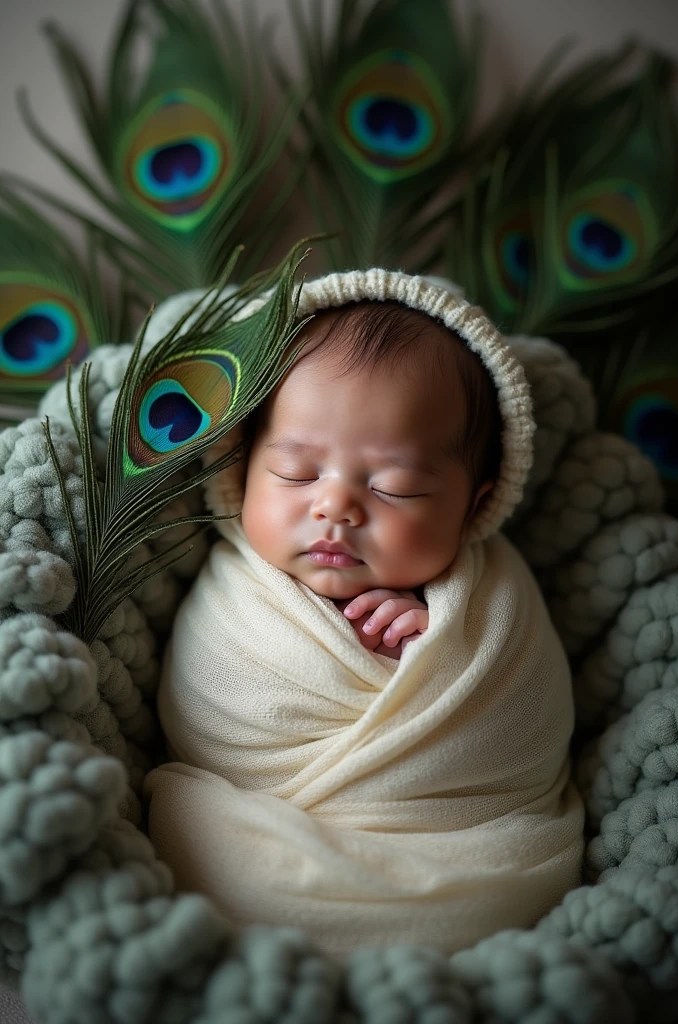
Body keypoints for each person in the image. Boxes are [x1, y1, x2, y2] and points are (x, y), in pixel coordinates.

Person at [144, 269, 585, 961]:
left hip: (460, 856)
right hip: (244, 833)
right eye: (295, 473)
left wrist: (435, 655)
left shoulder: (493, 596)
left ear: (476, 505)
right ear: (240, 462)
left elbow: (521, 724)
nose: (335, 507)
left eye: (396, 487)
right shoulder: (236, 587)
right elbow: (208, 704)